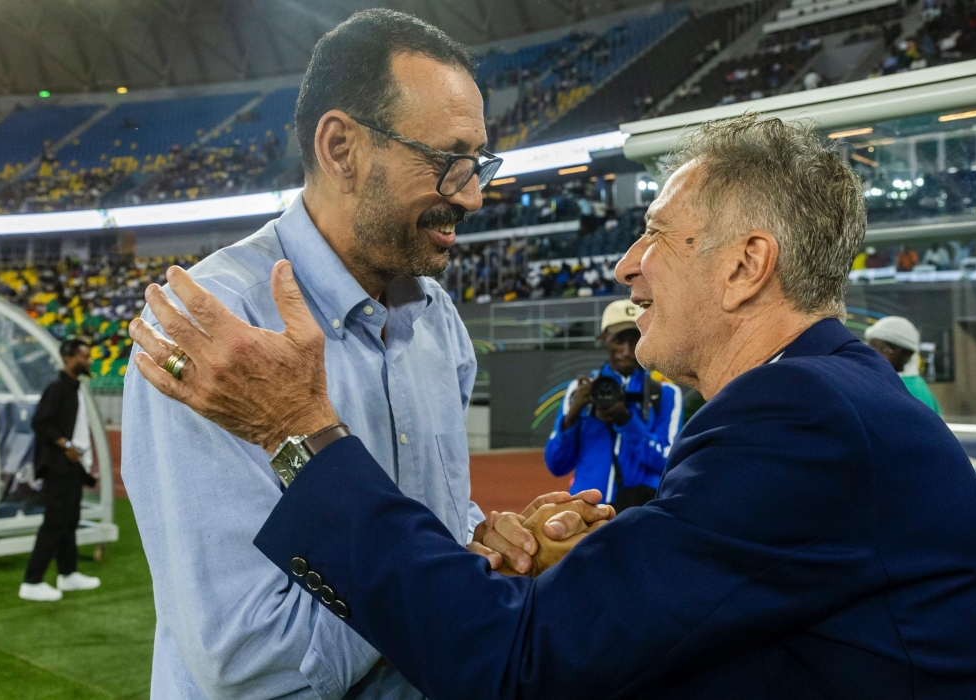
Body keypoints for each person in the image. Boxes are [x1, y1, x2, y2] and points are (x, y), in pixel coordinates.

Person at [130, 113, 976, 699]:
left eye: (656, 236)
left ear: (747, 265)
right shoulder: (821, 398)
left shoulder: (802, 417)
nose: (626, 268)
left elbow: (515, 666)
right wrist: (609, 560)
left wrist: (300, 431)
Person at [119, 11, 609, 699]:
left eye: (479, 162)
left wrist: (489, 538)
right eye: (448, 161)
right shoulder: (210, 330)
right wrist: (458, 577)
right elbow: (247, 661)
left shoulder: (437, 320)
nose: (472, 193)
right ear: (341, 148)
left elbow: (438, 518)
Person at [544, 298, 683, 510]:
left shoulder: (664, 394)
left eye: (634, 339)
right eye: (619, 340)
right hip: (585, 511)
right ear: (604, 338)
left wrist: (627, 421)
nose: (627, 351)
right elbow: (556, 465)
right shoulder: (579, 391)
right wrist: (572, 416)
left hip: (639, 511)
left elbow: (668, 463)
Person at [19, 339, 101, 602]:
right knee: (55, 523)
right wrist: (65, 444)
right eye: (84, 356)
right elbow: (40, 422)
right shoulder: (57, 389)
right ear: (68, 358)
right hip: (59, 467)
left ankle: (67, 574)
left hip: (72, 466)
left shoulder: (76, 389)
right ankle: (32, 581)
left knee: (69, 521)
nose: (88, 361)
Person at [864, 315, 941, 415]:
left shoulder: (910, 392)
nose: (874, 354)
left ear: (907, 353)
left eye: (883, 348)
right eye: (870, 348)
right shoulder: (882, 383)